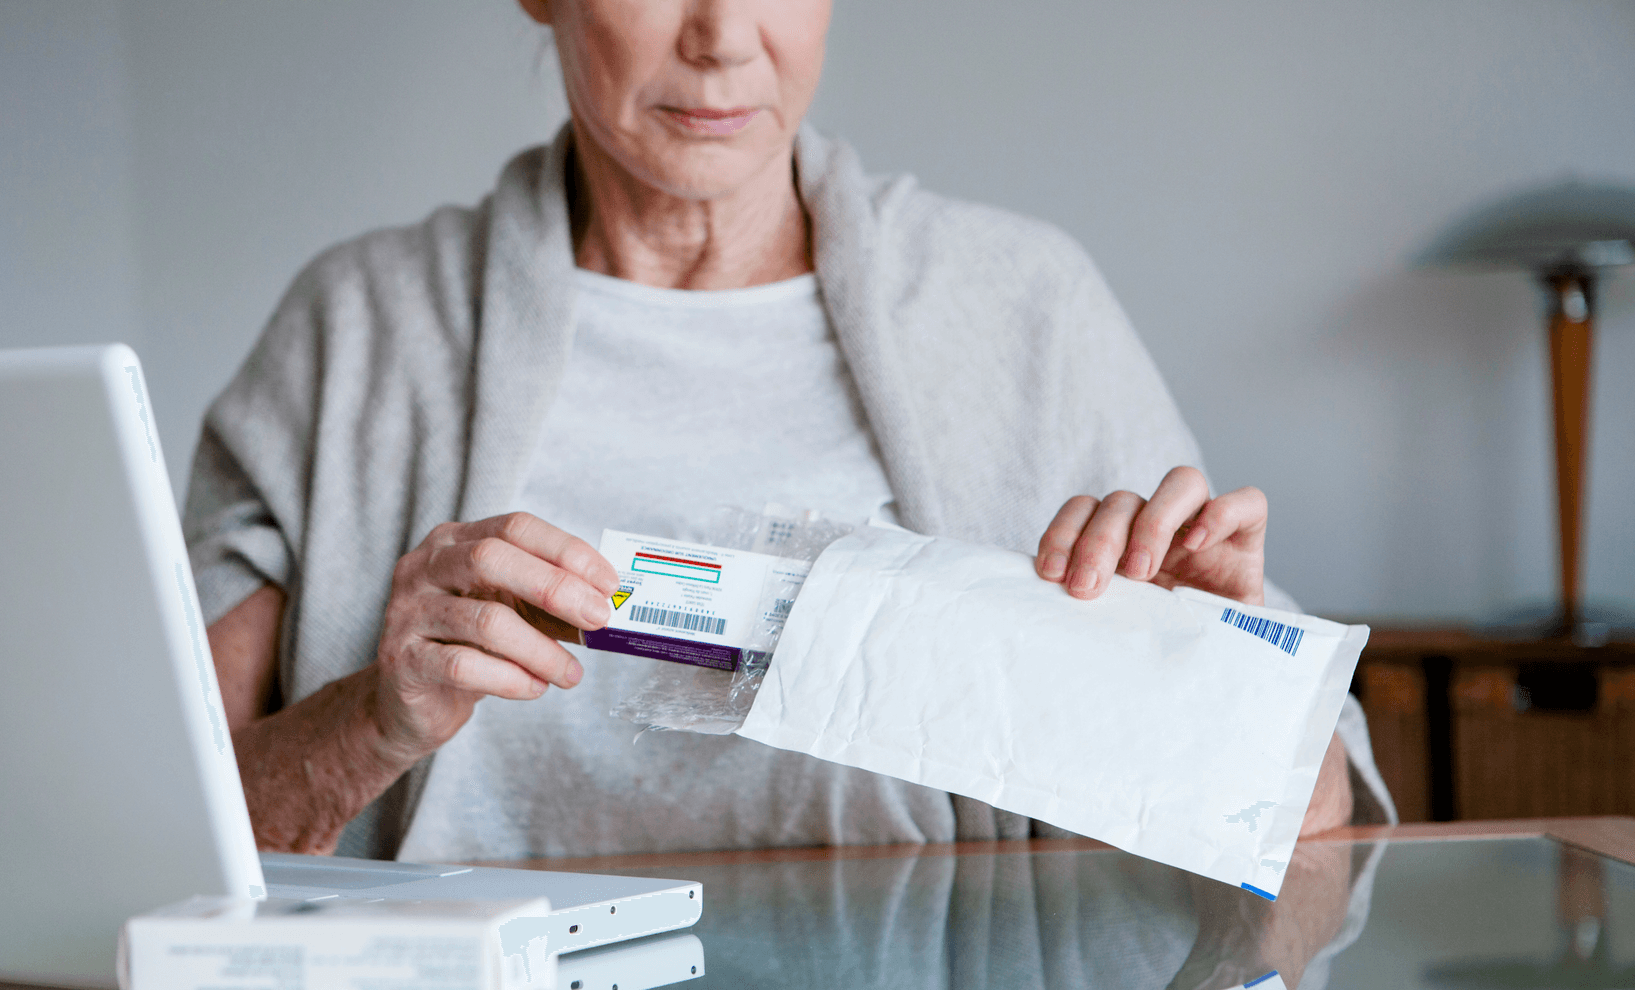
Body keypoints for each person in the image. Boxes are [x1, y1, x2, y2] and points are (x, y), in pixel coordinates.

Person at [189, 0, 1393, 862]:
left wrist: (1227, 676)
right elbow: (151, 834)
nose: (720, 36)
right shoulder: (354, 329)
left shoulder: (1022, 304)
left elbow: (1314, 824)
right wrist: (368, 720)